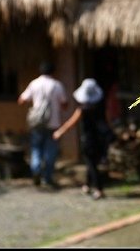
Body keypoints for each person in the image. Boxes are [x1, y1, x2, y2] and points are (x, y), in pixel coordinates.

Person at [53, 78, 112, 200]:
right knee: (92, 163)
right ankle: (87, 185)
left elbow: (71, 123)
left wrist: (59, 132)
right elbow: (108, 121)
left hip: (89, 140)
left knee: (92, 165)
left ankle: (99, 189)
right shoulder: (101, 107)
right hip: (101, 139)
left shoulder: (83, 110)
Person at [18, 61, 68, 189]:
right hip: (53, 123)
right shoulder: (57, 85)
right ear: (53, 71)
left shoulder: (34, 84)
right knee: (50, 151)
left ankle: (36, 170)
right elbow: (64, 104)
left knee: (36, 149)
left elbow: (22, 100)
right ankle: (47, 177)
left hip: (36, 122)